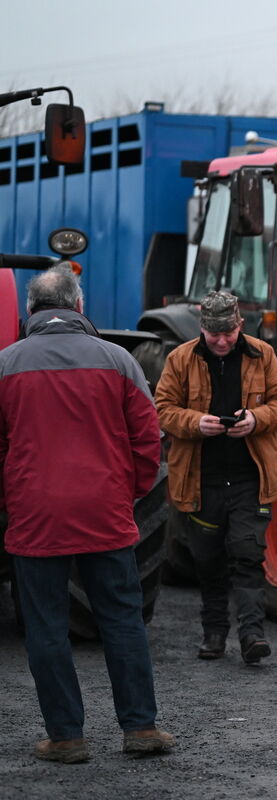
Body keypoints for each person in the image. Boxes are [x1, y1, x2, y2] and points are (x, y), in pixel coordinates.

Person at [0, 266, 174, 763]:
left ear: (30, 311)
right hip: (105, 514)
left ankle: (66, 737)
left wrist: (11, 501)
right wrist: (127, 494)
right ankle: (140, 728)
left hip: (35, 517)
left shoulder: (6, 364)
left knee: (46, 627)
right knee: (122, 620)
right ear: (79, 306)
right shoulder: (119, 360)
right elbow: (148, 439)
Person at [155, 290, 277, 664]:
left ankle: (252, 635)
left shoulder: (263, 355)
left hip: (250, 478)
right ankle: (214, 634)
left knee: (248, 554)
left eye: (228, 333)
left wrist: (256, 420)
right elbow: (162, 409)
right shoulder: (180, 359)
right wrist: (196, 423)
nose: (221, 341)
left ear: (240, 325)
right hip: (201, 481)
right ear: (202, 328)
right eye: (214, 334)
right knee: (208, 561)